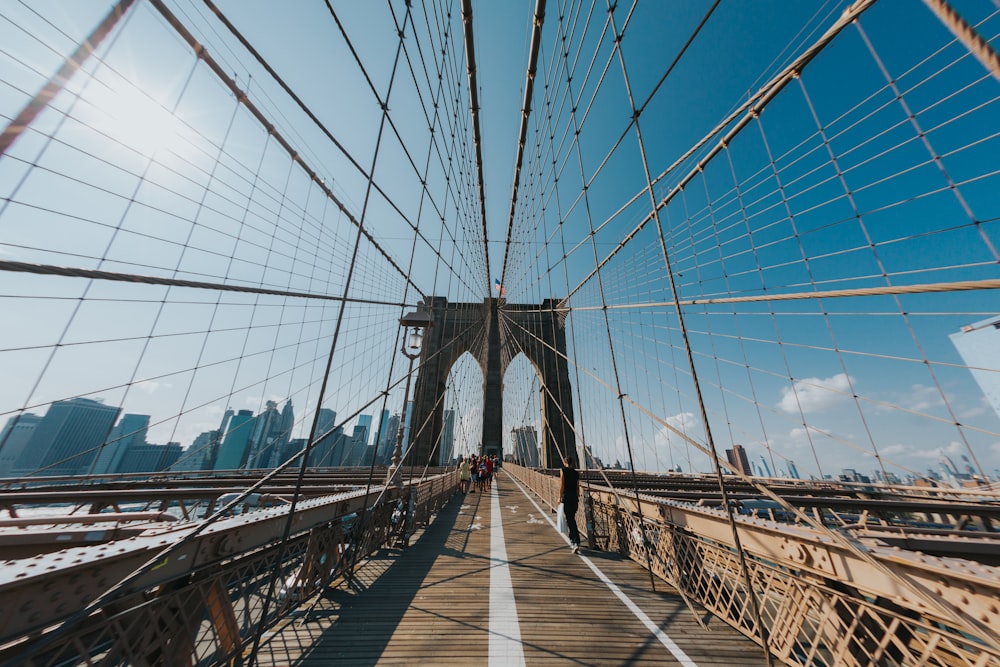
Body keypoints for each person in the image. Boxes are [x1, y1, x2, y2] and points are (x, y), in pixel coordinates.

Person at [559, 455, 581, 552]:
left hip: (567, 497)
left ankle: (575, 542)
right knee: (572, 519)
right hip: (574, 498)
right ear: (572, 463)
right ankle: (575, 540)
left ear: (565, 462)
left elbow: (562, 485)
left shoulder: (563, 471)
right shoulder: (576, 473)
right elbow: (577, 487)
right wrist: (577, 497)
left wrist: (559, 497)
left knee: (570, 520)